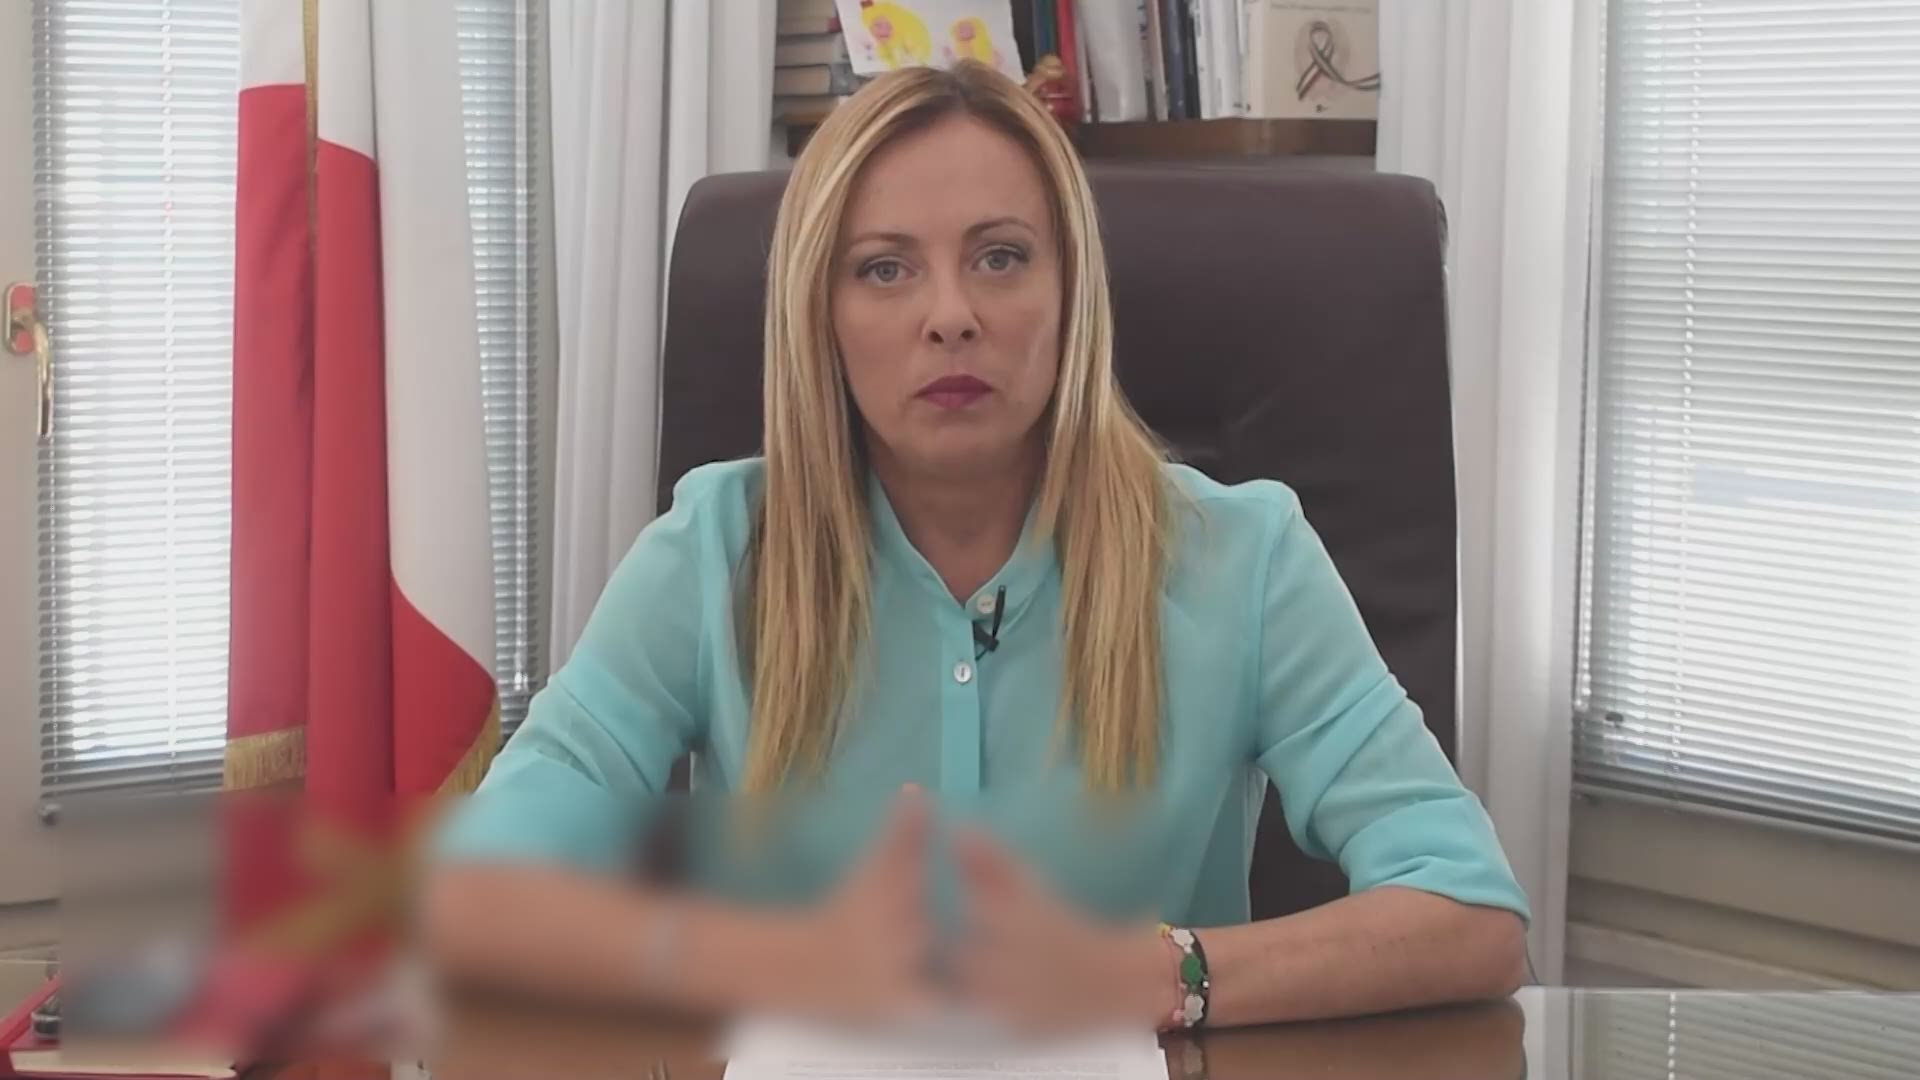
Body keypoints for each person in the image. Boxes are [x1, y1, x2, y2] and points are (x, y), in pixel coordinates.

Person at [425, 60, 1529, 1032]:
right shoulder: (716, 549)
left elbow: (1471, 913)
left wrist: (1159, 974)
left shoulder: (1243, 557)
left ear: (1071, 293)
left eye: (1000, 258)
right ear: (819, 315)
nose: (950, 314)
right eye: (885, 268)